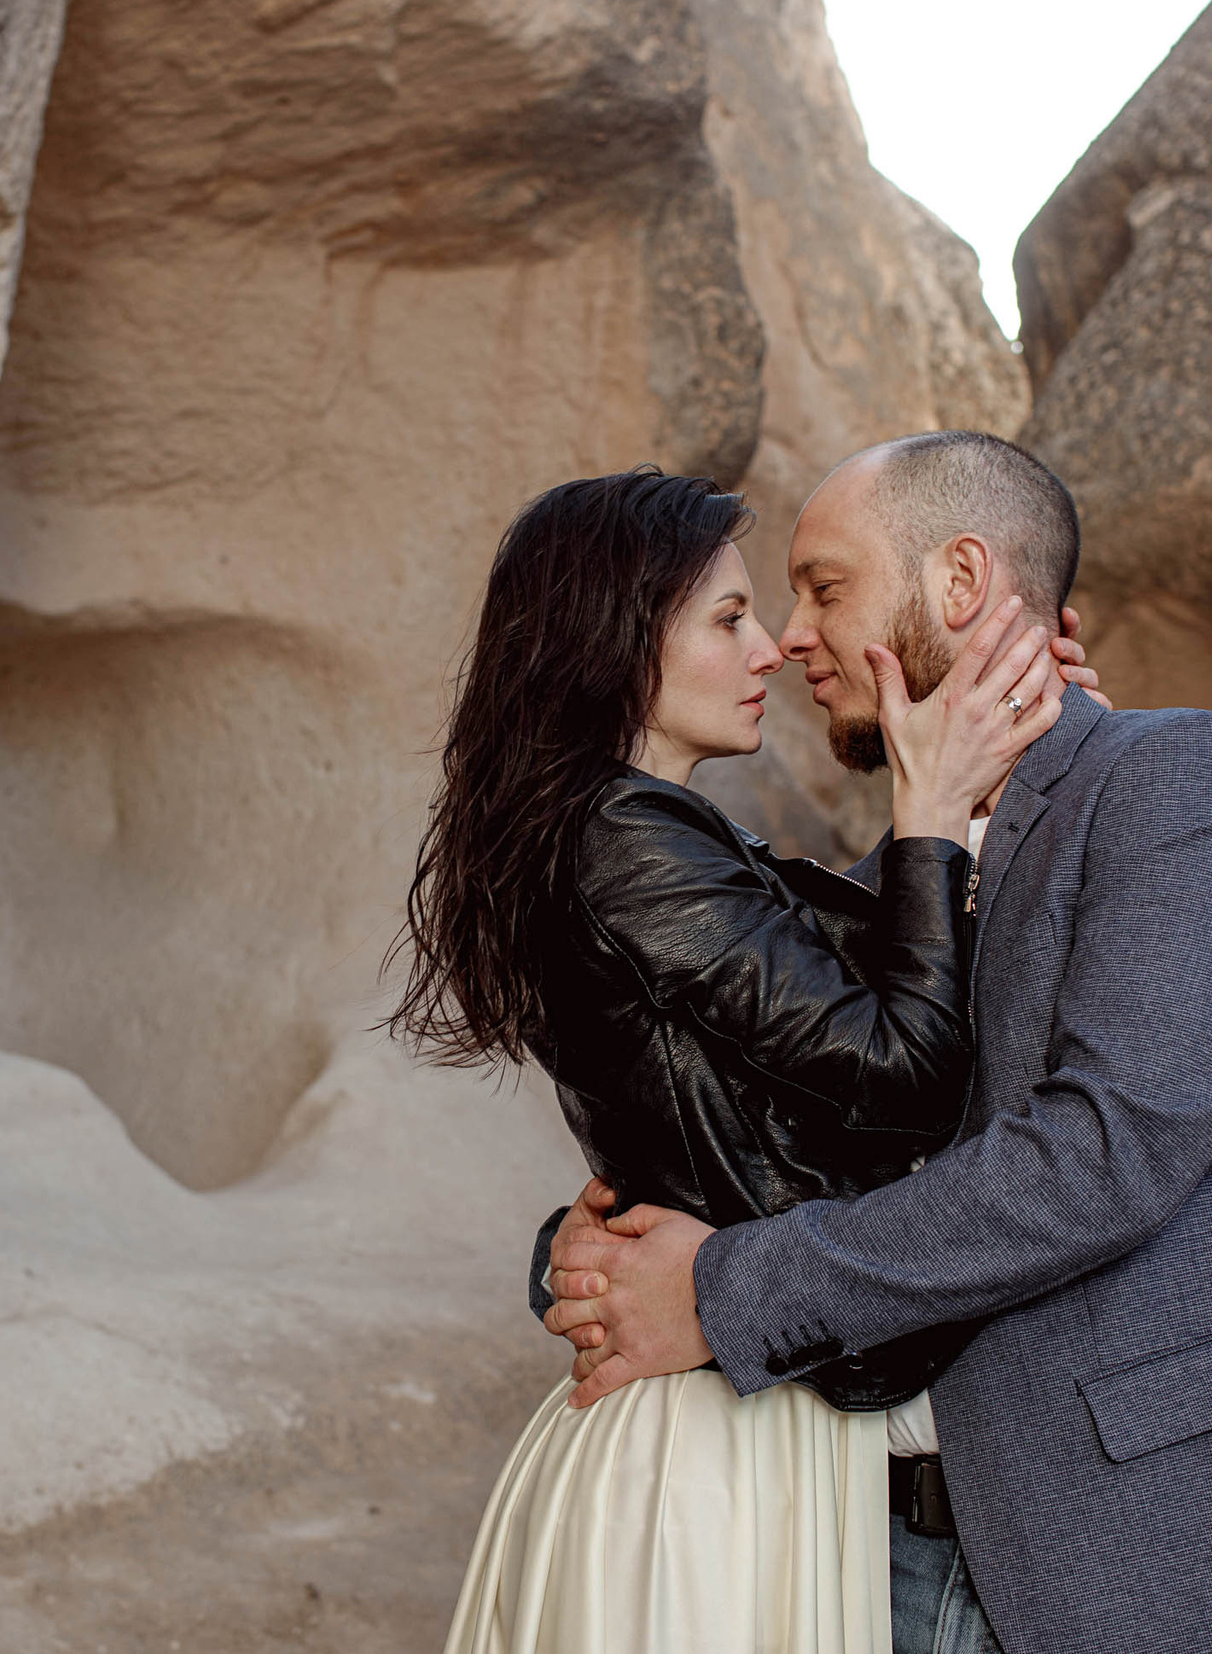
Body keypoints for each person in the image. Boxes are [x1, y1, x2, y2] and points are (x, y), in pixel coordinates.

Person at [539, 432, 1212, 1654]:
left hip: (1152, 1539)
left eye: (824, 587)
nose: (792, 636)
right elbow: (752, 1135)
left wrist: (721, 1291)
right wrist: (591, 1256)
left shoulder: (1184, 783)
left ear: (960, 582)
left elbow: (1104, 1154)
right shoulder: (893, 886)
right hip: (865, 1548)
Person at [389, 466, 1092, 1654]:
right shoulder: (623, 832)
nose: (769, 648)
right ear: (617, 640)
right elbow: (898, 1071)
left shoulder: (622, 834)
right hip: (715, 1441)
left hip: (714, 1411)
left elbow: (746, 1099)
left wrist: (991, 777)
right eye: (728, 619)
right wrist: (927, 816)